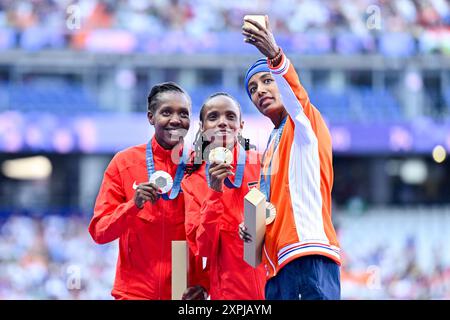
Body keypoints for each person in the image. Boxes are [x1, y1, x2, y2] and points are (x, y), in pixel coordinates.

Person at [239, 16, 341, 300]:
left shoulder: (303, 122)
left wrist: (274, 56)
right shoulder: (273, 140)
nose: (259, 91)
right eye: (252, 89)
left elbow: (297, 96)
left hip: (306, 254)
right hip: (278, 266)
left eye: (266, 81)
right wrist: (252, 227)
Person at [88, 82, 208, 300]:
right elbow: (99, 232)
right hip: (134, 292)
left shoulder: (198, 166)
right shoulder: (124, 163)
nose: (175, 120)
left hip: (181, 292)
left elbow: (211, 235)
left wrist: (204, 283)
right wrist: (133, 205)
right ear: (151, 117)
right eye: (166, 112)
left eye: (183, 113)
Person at [182, 92, 266, 300]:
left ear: (241, 125)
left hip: (272, 287)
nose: (222, 123)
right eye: (213, 117)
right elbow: (203, 249)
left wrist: (261, 226)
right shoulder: (192, 180)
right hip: (228, 294)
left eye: (230, 116)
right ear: (202, 127)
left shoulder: (263, 163)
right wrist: (214, 191)